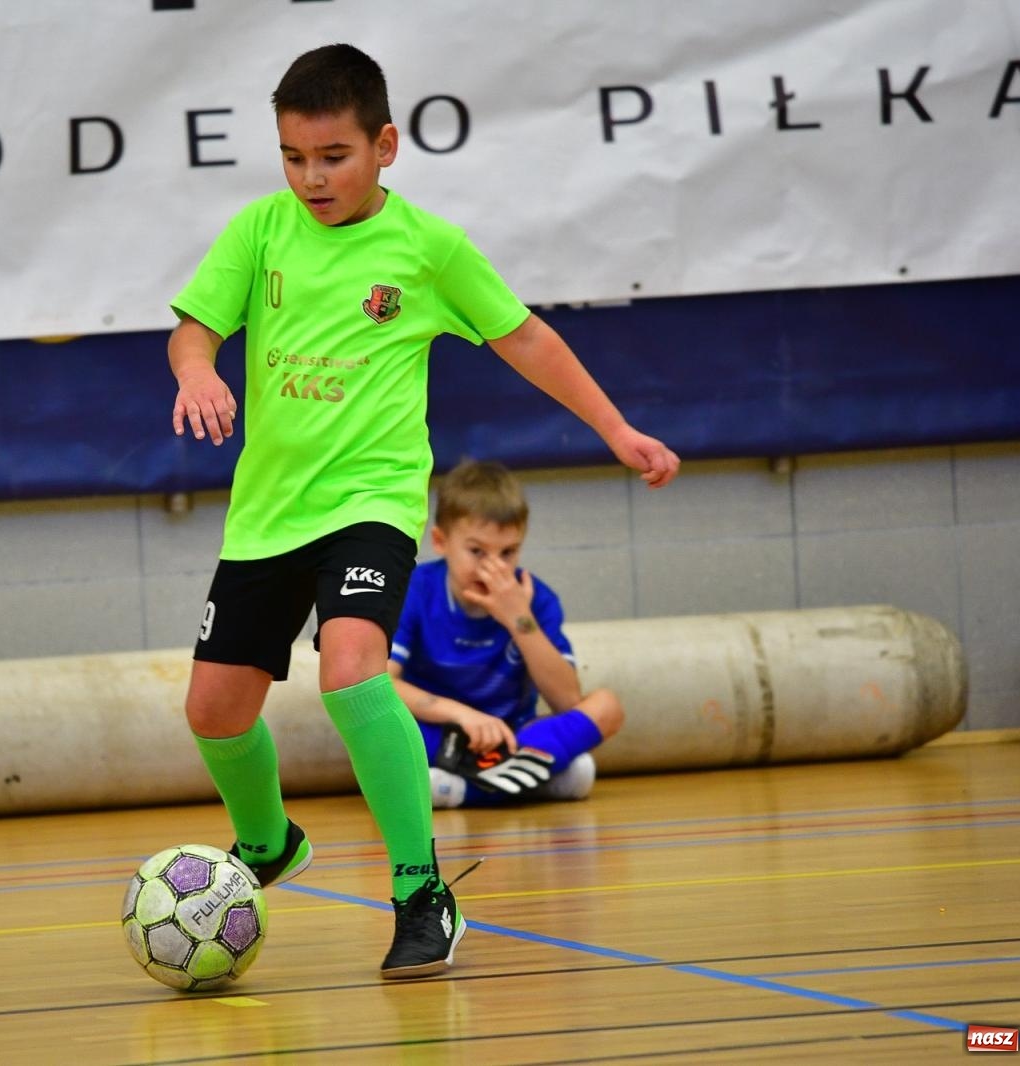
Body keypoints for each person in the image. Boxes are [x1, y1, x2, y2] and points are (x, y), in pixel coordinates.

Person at [166, 43, 678, 979]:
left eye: (333, 156)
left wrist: (616, 429)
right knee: (213, 711)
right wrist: (197, 370)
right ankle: (269, 841)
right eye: (293, 157)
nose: (312, 177)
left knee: (353, 674)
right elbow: (194, 327)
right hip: (268, 514)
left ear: (385, 146)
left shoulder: (428, 249)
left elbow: (529, 340)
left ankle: (420, 892)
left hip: (371, 502)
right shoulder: (261, 231)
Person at [387, 460, 623, 809]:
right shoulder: (413, 590)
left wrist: (519, 620)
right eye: (477, 551)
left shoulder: (537, 600)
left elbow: (567, 701)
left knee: (607, 706)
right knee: (381, 730)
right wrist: (462, 715)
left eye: (508, 552)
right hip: (441, 733)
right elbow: (382, 684)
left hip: (513, 737)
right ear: (440, 541)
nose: (493, 567)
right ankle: (531, 781)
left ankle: (463, 789)